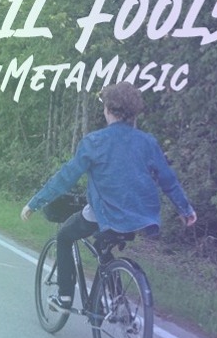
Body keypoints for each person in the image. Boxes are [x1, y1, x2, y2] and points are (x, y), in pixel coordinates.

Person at [21, 81, 197, 312]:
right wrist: (185, 210)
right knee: (103, 248)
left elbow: (66, 177)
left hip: (104, 213)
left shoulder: (94, 142)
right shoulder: (148, 142)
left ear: (107, 110)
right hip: (140, 217)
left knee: (64, 236)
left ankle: (64, 297)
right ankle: (115, 301)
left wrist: (35, 203)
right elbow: (168, 180)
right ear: (134, 112)